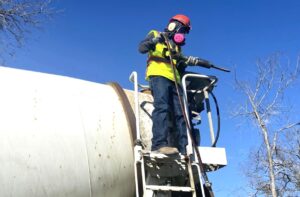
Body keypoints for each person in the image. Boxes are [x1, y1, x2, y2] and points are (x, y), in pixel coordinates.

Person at [138, 14, 207, 155]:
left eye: (185, 32)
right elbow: (142, 48)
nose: (183, 35)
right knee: (162, 107)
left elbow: (179, 67)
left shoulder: (177, 48)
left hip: (175, 80)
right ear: (173, 26)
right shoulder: (155, 34)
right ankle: (159, 144)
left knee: (182, 114)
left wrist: (189, 61)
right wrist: (156, 40)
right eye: (183, 30)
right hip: (158, 75)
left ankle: (183, 149)